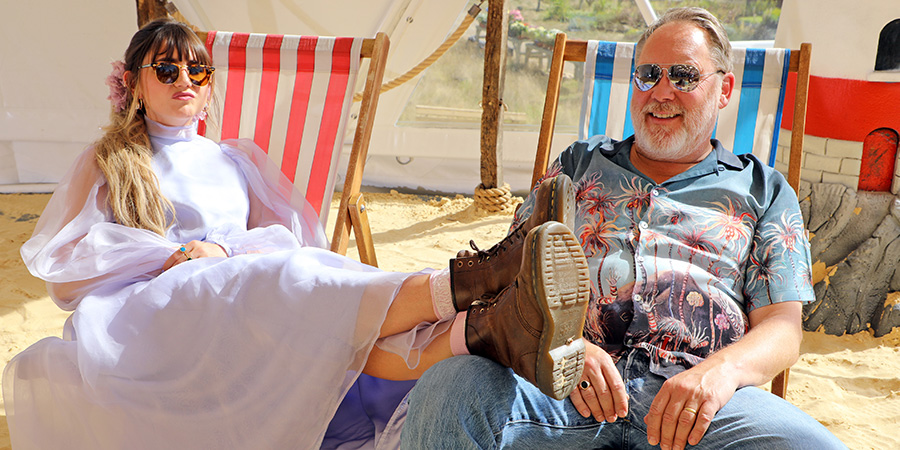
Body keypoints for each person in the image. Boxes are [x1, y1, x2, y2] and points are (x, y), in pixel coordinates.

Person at [1, 19, 594, 449]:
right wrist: (173, 255)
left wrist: (226, 249)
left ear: (209, 87)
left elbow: (283, 236)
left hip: (239, 286)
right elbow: (66, 261)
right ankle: (479, 278)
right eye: (166, 68)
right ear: (134, 83)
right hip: (151, 308)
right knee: (286, 280)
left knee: (318, 300)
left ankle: (486, 328)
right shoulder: (111, 158)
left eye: (197, 68)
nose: (184, 77)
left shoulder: (232, 160)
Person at [401, 7, 847, 449]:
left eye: (684, 77)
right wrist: (566, 347)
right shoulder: (577, 166)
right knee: (450, 388)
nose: (661, 92)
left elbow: (783, 329)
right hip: (562, 389)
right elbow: (512, 279)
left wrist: (719, 374)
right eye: (648, 74)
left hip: (698, 404)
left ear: (724, 88)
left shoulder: (762, 190)